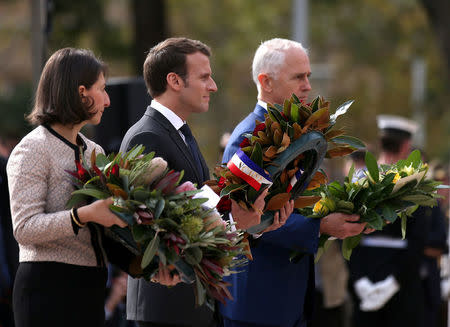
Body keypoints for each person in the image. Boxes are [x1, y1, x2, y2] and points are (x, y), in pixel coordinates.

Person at [120, 37, 293, 327]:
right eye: (204, 77)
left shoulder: (179, 132)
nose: (213, 86)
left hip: (189, 305)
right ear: (174, 80)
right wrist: (237, 221)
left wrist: (257, 223)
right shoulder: (147, 136)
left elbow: (202, 209)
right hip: (167, 307)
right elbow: (162, 234)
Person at [219, 38, 370, 327]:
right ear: (267, 82)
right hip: (258, 304)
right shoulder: (249, 136)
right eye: (298, 77)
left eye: (308, 76)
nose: (307, 86)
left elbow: (295, 205)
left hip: (288, 301)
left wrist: (352, 212)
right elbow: (247, 217)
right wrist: (322, 226)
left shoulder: (295, 132)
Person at [6, 48, 131, 327]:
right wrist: (82, 215)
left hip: (90, 291)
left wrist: (149, 265)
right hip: (47, 292)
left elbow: (102, 230)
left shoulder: (94, 152)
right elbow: (24, 228)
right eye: (102, 89)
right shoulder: (32, 149)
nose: (108, 100)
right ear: (82, 92)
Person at [348, 115, 431, 327]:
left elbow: (346, 233)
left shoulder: (360, 179)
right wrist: (394, 282)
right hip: (402, 281)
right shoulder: (414, 184)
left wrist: (359, 279)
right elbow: (418, 240)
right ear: (406, 146)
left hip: (366, 274)